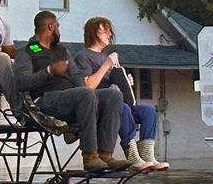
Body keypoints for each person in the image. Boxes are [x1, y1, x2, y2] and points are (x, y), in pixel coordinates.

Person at [12, 11, 129, 172]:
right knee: (85, 94)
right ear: (51, 27)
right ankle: (90, 156)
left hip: (73, 98)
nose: (59, 31)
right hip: (45, 100)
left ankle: (105, 154)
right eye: (58, 27)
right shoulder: (27, 51)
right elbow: (21, 82)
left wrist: (88, 92)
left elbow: (76, 76)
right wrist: (49, 71)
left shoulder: (61, 50)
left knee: (113, 96)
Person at [77, 16, 168, 172]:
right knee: (123, 108)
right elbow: (88, 86)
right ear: (93, 32)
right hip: (103, 107)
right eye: (104, 30)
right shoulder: (83, 56)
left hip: (120, 100)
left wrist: (125, 81)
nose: (109, 33)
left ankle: (147, 155)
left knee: (149, 111)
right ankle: (132, 156)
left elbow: (113, 82)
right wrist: (106, 66)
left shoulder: (106, 57)